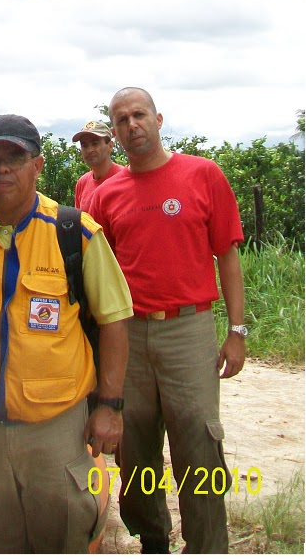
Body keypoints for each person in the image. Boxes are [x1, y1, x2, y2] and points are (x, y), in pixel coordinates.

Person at [0, 114, 133, 553]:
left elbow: (115, 321)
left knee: (61, 536)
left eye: (14, 158)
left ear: (37, 166)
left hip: (57, 429)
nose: (2, 169)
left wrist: (110, 406)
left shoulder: (75, 234)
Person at [88, 87, 246, 554]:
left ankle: (206, 545)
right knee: (134, 445)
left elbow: (228, 258)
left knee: (199, 441)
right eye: (121, 119)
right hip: (128, 333)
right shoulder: (106, 195)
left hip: (189, 329)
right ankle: (152, 538)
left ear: (158, 119)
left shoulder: (202, 175)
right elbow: (96, 277)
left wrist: (236, 332)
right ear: (114, 133)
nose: (131, 124)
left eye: (139, 115)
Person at [72, 120, 124, 211]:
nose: (89, 150)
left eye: (95, 143)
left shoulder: (124, 179)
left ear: (110, 146)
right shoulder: (82, 183)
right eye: (84, 145)